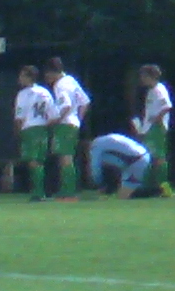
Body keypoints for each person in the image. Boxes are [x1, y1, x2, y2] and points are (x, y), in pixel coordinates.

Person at [43, 58, 91, 201]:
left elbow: (66, 105)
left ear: (51, 72)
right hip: (73, 123)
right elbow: (85, 102)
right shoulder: (71, 80)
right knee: (67, 157)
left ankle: (68, 192)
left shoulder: (60, 85)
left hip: (65, 124)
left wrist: (56, 120)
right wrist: (78, 120)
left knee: (65, 158)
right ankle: (68, 191)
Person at [13, 66, 55, 203]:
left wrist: (18, 131)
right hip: (43, 128)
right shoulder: (45, 92)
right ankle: (43, 191)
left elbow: (19, 116)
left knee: (32, 161)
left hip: (30, 129)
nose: (20, 79)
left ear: (29, 77)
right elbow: (53, 115)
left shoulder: (23, 94)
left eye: (22, 76)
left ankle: (38, 193)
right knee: (40, 161)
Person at [131, 64, 170, 195]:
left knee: (159, 157)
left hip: (156, 129)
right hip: (149, 128)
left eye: (143, 76)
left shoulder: (159, 89)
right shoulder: (151, 91)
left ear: (150, 76)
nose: (141, 79)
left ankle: (164, 187)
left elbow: (167, 106)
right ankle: (151, 187)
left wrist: (158, 121)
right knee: (149, 157)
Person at [87, 133, 158, 198]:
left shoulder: (95, 147)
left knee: (123, 196)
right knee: (123, 193)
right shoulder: (104, 139)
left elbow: (95, 167)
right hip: (142, 156)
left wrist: (98, 183)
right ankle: (155, 190)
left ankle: (158, 191)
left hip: (137, 161)